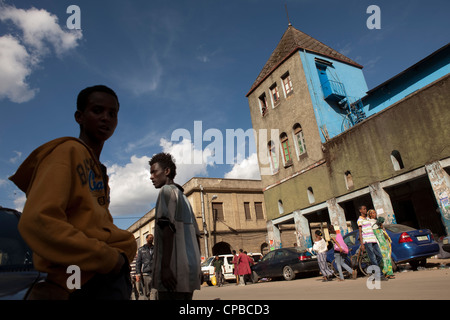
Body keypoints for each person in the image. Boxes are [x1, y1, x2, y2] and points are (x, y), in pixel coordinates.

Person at [10, 85, 137, 299]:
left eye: (112, 113)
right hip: (81, 279)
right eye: (97, 111)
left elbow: (96, 224)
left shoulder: (99, 170)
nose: (106, 118)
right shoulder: (65, 152)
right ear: (79, 116)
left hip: (104, 277)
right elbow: (39, 220)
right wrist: (109, 259)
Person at [149, 153, 202, 300]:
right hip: (190, 271)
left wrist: (165, 268)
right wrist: (199, 267)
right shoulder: (184, 199)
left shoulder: (166, 191)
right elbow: (197, 236)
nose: (151, 177)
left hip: (172, 272)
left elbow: (167, 229)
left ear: (166, 171)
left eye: (154, 172)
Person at [357, 206, 388, 281]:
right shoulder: (359, 220)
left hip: (373, 239)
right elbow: (360, 233)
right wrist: (362, 244)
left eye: (365, 209)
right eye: (363, 209)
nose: (365, 210)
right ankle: (379, 275)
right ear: (360, 210)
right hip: (367, 241)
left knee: (379, 256)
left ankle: (374, 270)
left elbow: (375, 225)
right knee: (373, 258)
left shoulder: (368, 219)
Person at [368, 209, 395, 279]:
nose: (374, 214)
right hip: (377, 242)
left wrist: (380, 224)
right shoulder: (369, 222)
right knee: (381, 257)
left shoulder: (378, 221)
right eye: (372, 213)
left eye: (375, 213)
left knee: (387, 256)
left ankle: (389, 272)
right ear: (370, 214)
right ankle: (383, 272)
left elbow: (383, 230)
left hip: (383, 242)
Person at [136, 234, 156, 299]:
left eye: (152, 238)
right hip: (145, 274)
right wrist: (138, 273)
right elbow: (138, 262)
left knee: (154, 292)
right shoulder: (141, 249)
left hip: (154, 274)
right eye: (150, 238)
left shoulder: (155, 249)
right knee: (146, 293)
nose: (151, 239)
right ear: (146, 239)